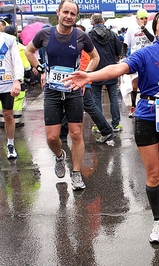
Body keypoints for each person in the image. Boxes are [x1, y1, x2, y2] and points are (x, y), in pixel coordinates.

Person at [63, 10, 159, 244]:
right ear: (156, 28)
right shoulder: (145, 53)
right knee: (153, 174)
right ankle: (158, 222)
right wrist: (90, 77)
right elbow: (118, 68)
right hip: (146, 117)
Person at [25, 0, 100, 190]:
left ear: (76, 17)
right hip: (52, 91)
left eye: (72, 14)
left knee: (76, 133)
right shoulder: (45, 34)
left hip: (73, 91)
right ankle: (60, 156)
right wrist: (41, 70)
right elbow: (29, 51)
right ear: (58, 12)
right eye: (65, 12)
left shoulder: (81, 36)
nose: (68, 16)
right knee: (52, 137)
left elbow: (95, 58)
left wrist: (85, 77)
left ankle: (76, 173)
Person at [60, 24, 116, 144]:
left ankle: (106, 131)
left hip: (80, 81)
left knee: (88, 105)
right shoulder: (75, 43)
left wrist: (86, 81)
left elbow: (87, 62)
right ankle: (62, 135)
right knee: (71, 104)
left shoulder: (82, 43)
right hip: (75, 80)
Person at [89, 13, 123, 132]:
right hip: (111, 70)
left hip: (95, 70)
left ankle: (99, 125)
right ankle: (116, 124)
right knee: (114, 98)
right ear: (103, 21)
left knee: (96, 99)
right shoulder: (113, 35)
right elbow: (119, 51)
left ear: (93, 22)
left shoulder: (89, 36)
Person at [124, 8, 154, 118]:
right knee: (135, 85)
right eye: (142, 18)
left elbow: (151, 39)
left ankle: (146, 106)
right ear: (137, 19)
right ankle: (133, 106)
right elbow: (126, 43)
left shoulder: (150, 27)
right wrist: (123, 56)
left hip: (149, 58)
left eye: (146, 18)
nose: (144, 20)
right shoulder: (131, 29)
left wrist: (143, 28)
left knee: (148, 83)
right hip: (136, 59)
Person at [0, 26, 24, 159]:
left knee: (8, 115)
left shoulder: (9, 39)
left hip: (6, 83)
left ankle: (10, 144)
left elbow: (17, 61)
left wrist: (18, 80)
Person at [0, 26, 30, 128]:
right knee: (16, 101)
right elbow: (25, 64)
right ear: (15, 33)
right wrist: (27, 76)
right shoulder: (20, 47)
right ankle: (15, 120)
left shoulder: (10, 43)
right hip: (14, 79)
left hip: (9, 80)